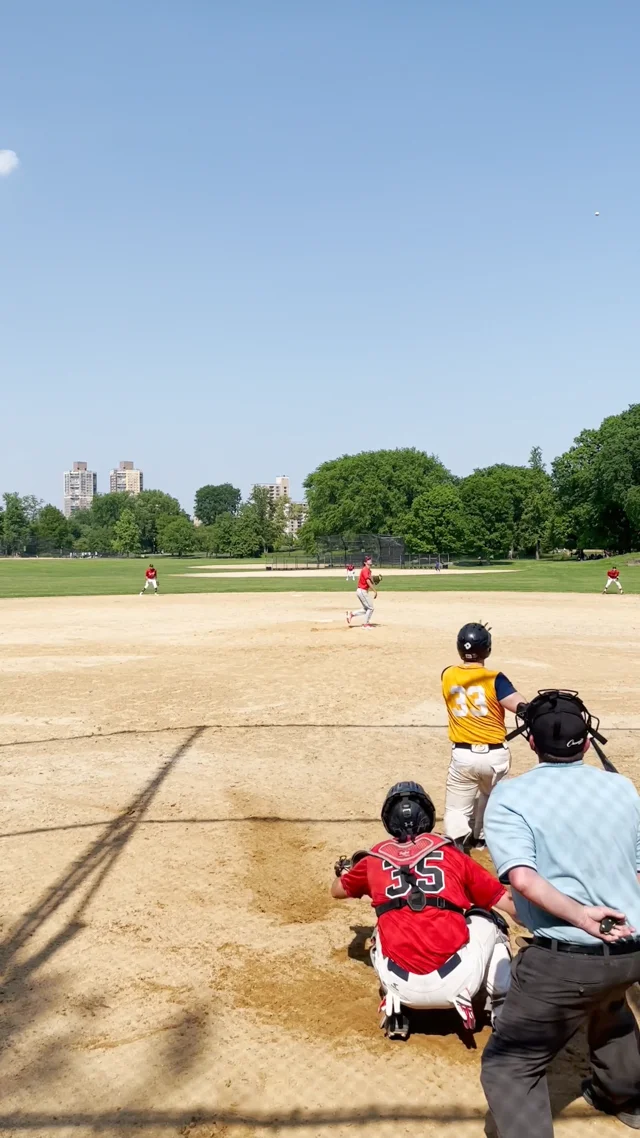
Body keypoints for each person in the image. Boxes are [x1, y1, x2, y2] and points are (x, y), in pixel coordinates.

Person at [482, 691, 640, 1137]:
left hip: (563, 960)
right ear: (587, 741)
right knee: (610, 1010)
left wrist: (581, 916)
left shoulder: (511, 796)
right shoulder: (621, 786)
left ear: (530, 741)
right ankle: (625, 1097)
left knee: (510, 1066)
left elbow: (524, 881)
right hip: (630, 948)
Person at [331, 781, 515, 1040]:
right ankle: (502, 1008)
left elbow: (336, 890)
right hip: (461, 982)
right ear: (427, 816)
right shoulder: (450, 853)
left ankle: (397, 1010)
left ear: (388, 820)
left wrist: (348, 872)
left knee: (382, 926)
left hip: (400, 985)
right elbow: (504, 901)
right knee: (490, 919)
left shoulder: (374, 859)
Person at [441, 623, 526, 851]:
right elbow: (521, 707)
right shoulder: (495, 678)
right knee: (490, 798)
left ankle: (457, 848)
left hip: (463, 755)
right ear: (487, 650)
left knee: (457, 810)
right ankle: (481, 838)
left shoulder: (447, 674)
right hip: (495, 756)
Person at [346, 555, 377, 629]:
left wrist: (375, 581)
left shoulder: (368, 570)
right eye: (368, 559)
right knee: (371, 608)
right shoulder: (365, 569)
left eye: (370, 559)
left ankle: (351, 614)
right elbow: (368, 581)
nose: (370, 560)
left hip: (362, 591)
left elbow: (371, 580)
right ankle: (366, 624)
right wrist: (375, 591)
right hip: (362, 591)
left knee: (366, 609)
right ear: (365, 562)